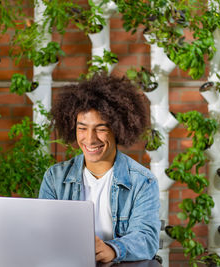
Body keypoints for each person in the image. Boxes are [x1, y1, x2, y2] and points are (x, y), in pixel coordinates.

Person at [39, 73, 161, 263]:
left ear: (119, 129)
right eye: (82, 128)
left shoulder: (142, 181)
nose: (90, 139)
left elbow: (146, 239)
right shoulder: (55, 177)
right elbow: (43, 232)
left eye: (101, 128)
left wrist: (113, 249)